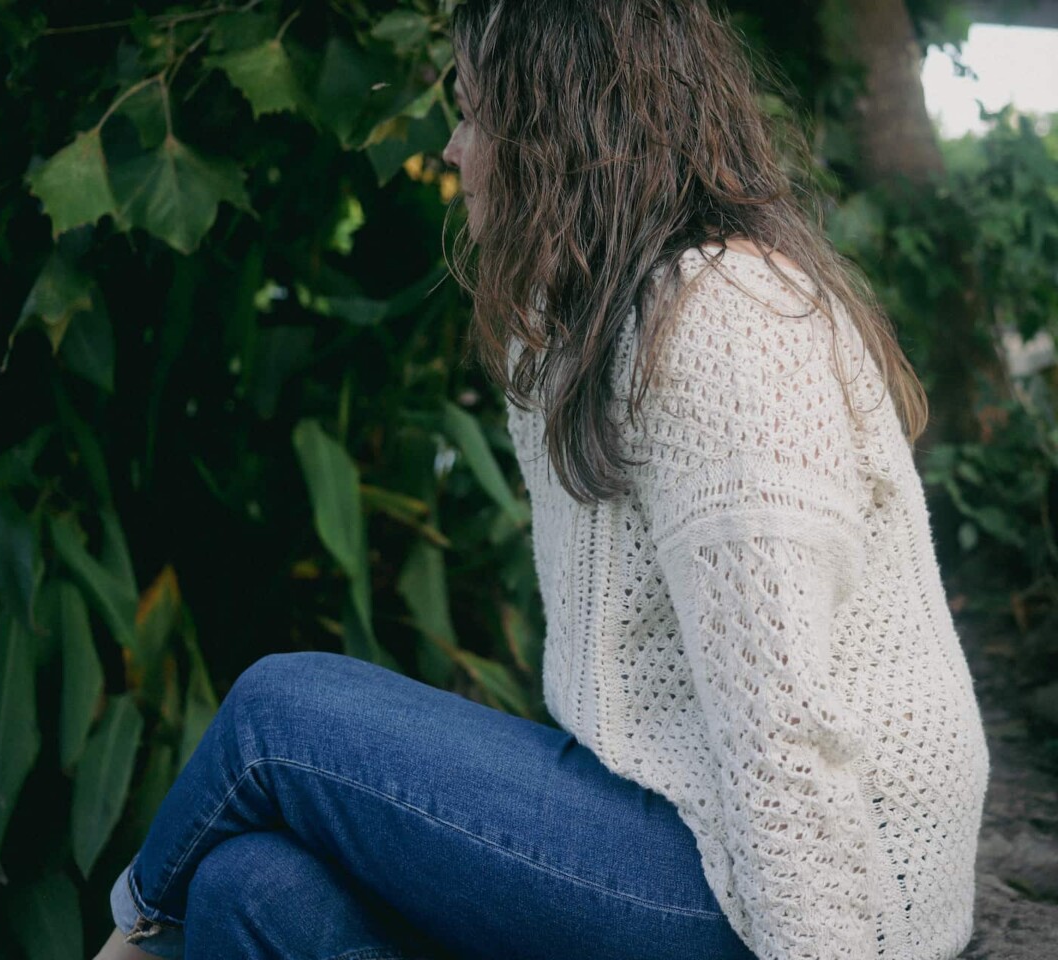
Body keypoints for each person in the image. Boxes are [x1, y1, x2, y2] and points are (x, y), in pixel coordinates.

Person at [93, 1, 991, 958]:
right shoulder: (585, 329)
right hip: (675, 831)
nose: (452, 146)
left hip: (808, 890)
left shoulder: (726, 321)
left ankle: (122, 944)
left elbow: (785, 734)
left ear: (550, 132)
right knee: (249, 887)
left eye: (473, 112)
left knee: (277, 715)